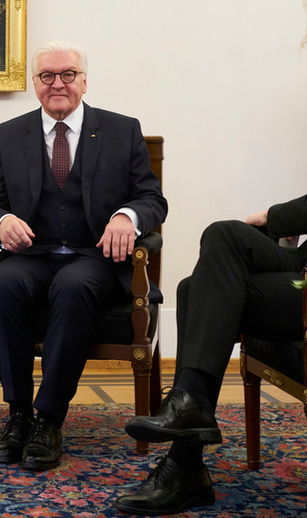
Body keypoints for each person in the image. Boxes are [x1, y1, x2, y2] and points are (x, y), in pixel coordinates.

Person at [0, 41, 167, 471]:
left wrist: (127, 216)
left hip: (93, 256)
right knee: (3, 282)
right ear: (35, 84)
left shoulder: (122, 130)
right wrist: (2, 221)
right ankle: (19, 413)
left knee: (73, 285)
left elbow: (152, 198)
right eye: (46, 76)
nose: (57, 83)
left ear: (84, 81)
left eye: (67, 75)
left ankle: (49, 419)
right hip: (33, 252)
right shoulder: (9, 134)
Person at [114, 198, 307, 514]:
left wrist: (271, 217)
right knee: (213, 251)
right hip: (301, 265)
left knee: (210, 265)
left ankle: (184, 464)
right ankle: (188, 415)